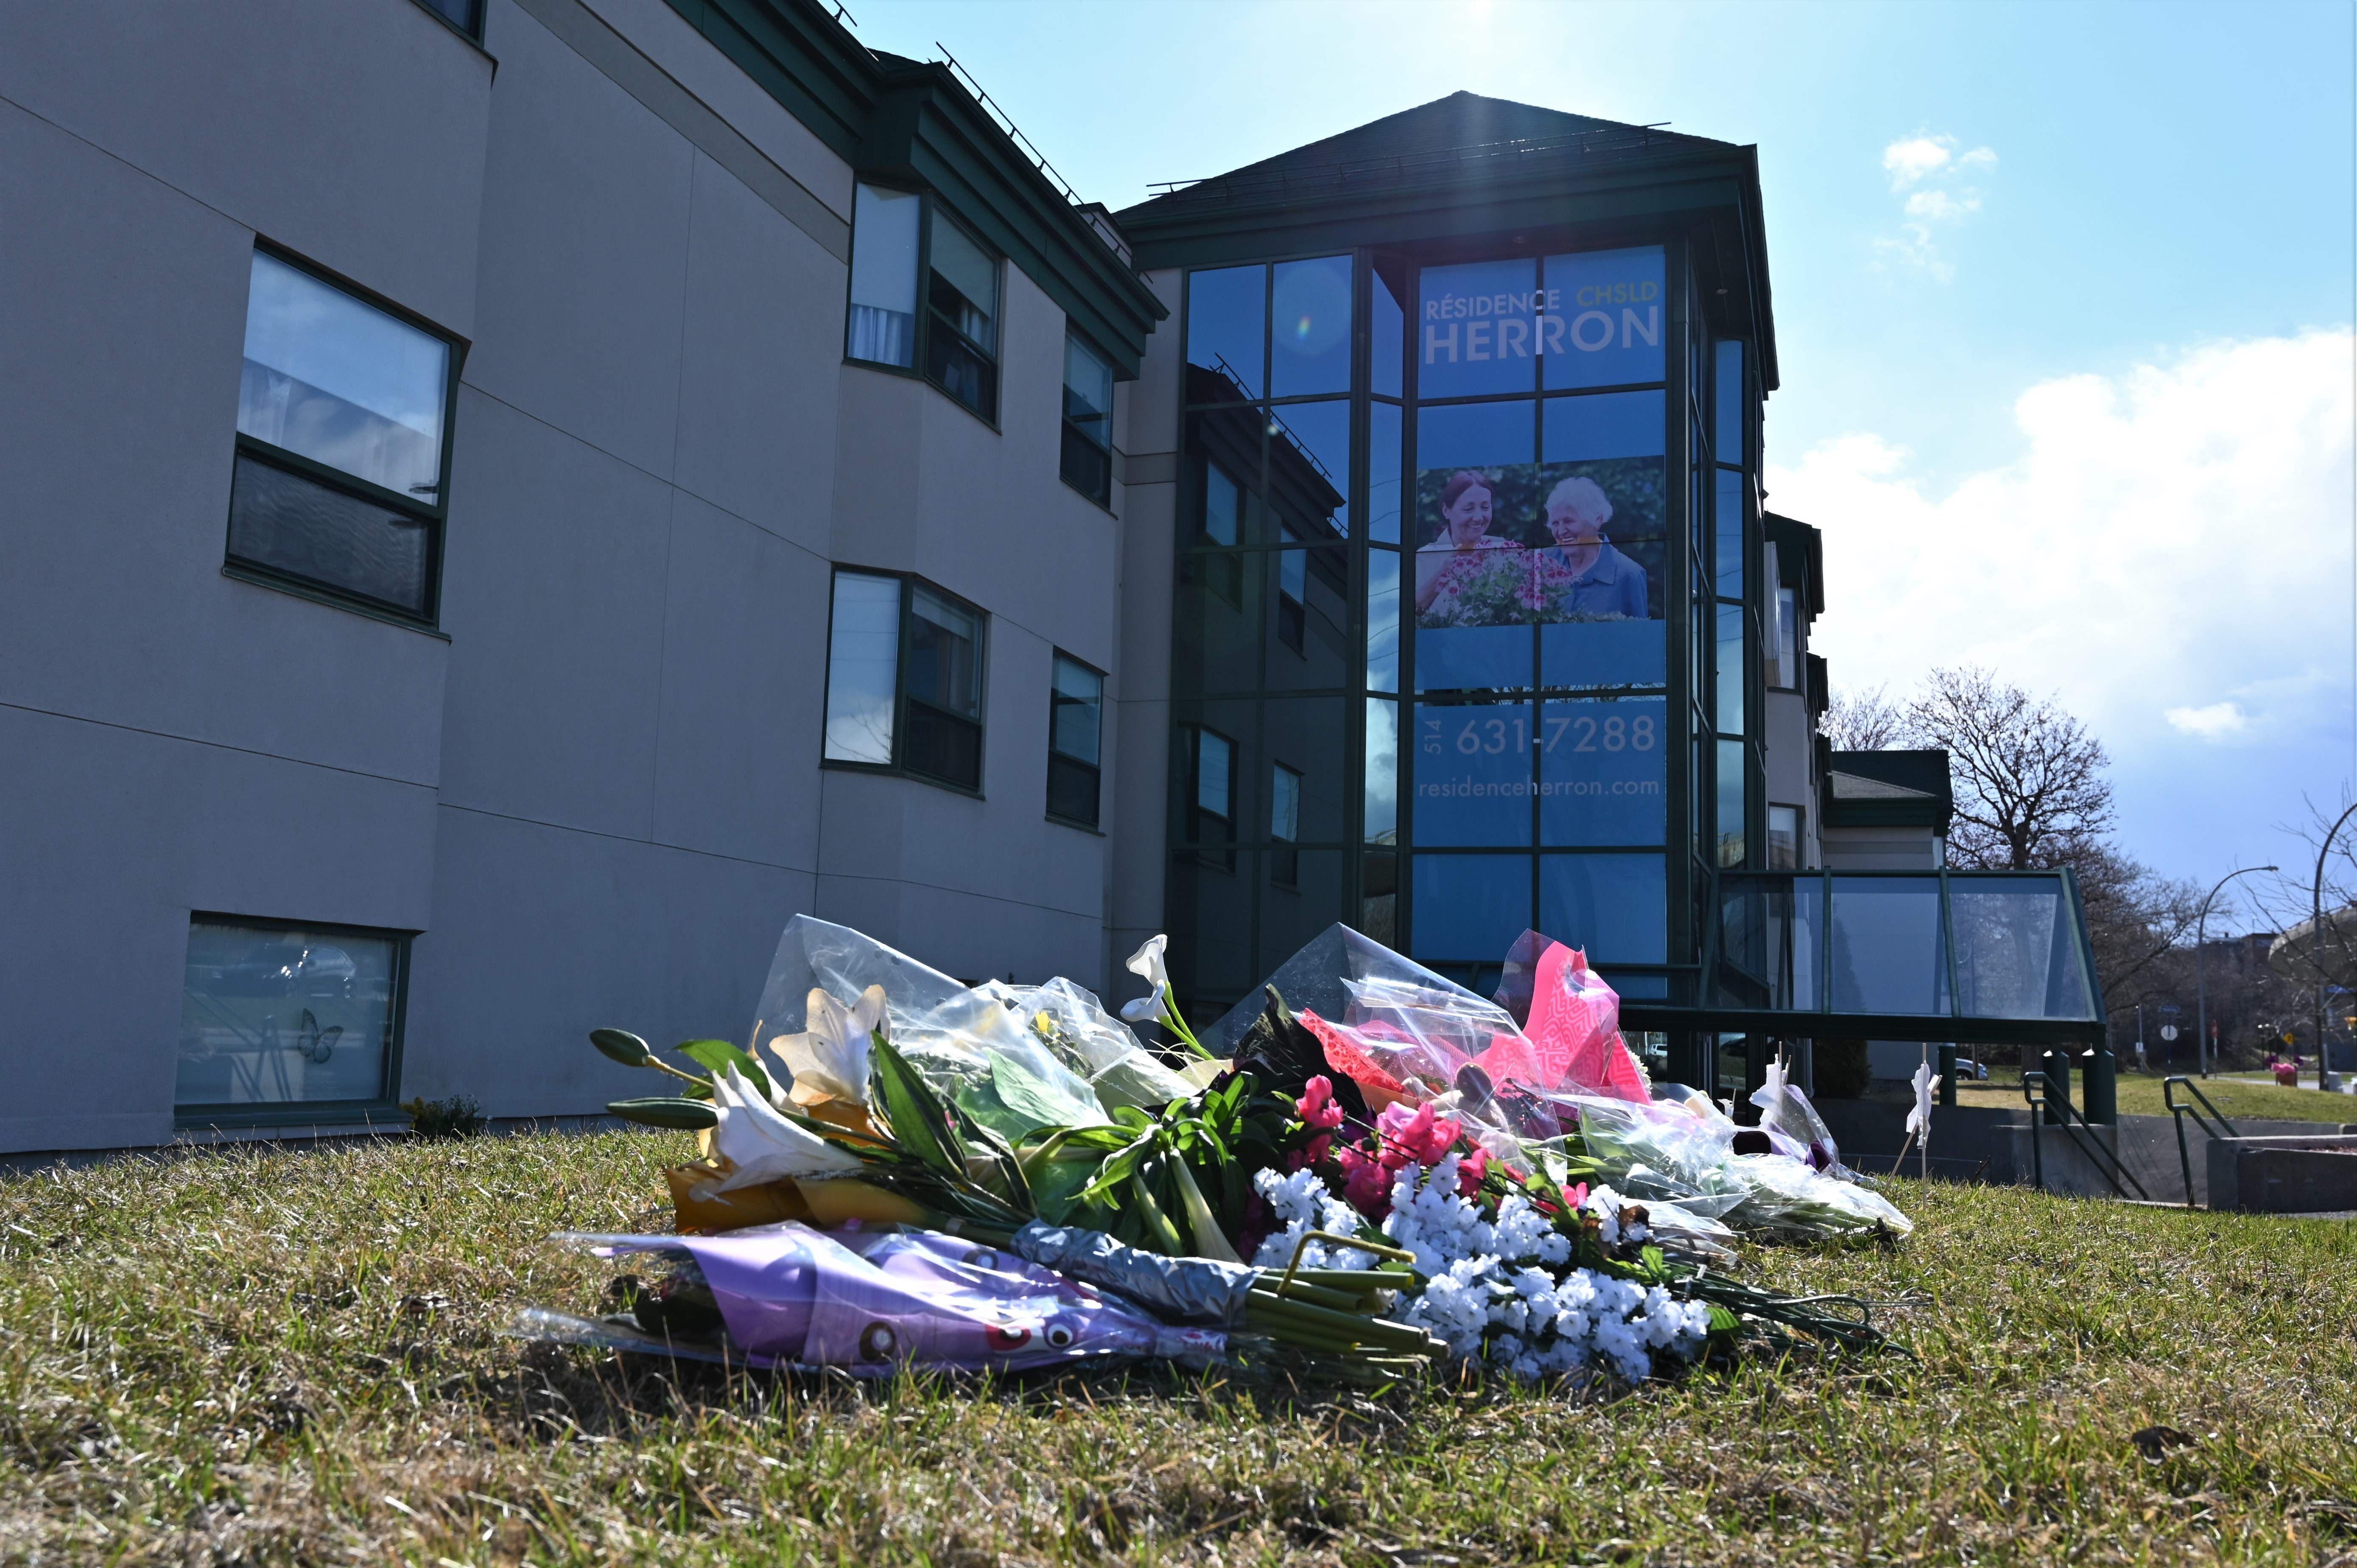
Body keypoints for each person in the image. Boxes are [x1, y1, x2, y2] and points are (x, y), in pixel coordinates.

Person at [1531, 475, 1647, 619]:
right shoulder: (1539, 564)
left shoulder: (1630, 575)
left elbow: (1640, 638)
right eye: (1555, 523)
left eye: (1569, 521)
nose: (1561, 532)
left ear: (1597, 520)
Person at [1414, 470, 1520, 617]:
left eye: (1485, 508)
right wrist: (1442, 575)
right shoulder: (1424, 557)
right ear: (1446, 511)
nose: (1478, 517)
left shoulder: (1503, 549)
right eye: (1468, 509)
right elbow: (1410, 612)